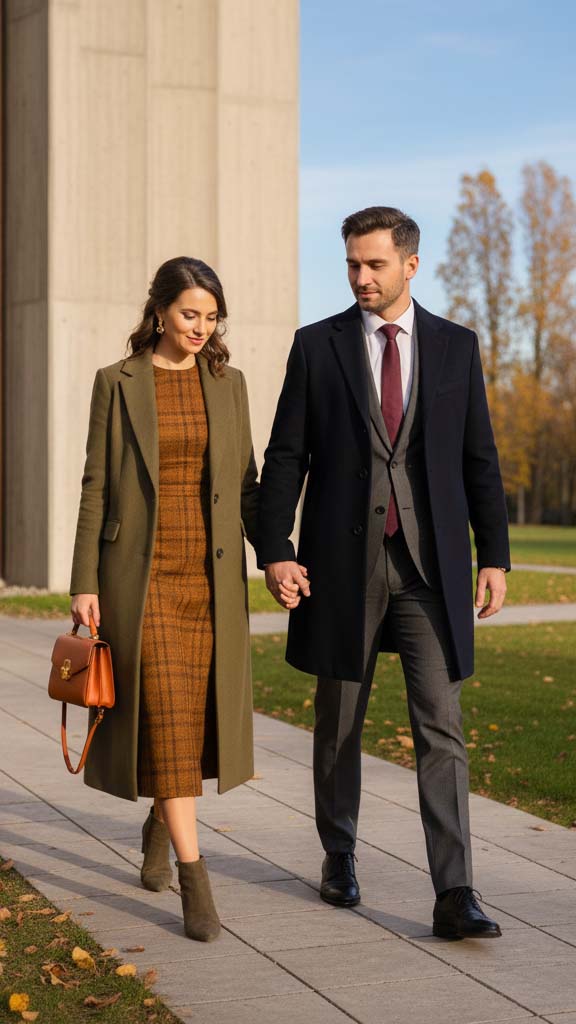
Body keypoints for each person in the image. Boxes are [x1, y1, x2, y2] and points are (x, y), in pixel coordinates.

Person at [258, 207, 510, 940]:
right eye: (351, 265)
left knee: (442, 724)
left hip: (430, 570)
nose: (360, 277)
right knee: (338, 722)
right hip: (339, 566)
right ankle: (339, 854)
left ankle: (455, 892)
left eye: (373, 264)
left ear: (410, 265)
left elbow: (479, 458)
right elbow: (284, 456)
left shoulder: (456, 347)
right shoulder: (316, 346)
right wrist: (276, 547)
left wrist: (493, 553)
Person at [70, 257, 259, 942]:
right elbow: (96, 485)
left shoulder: (228, 383)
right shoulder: (116, 383)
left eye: (211, 318)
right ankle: (195, 879)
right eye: (189, 315)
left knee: (185, 722)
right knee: (171, 713)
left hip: (209, 581)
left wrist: (279, 555)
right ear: (158, 312)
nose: (201, 329)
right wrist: (84, 581)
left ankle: (158, 819)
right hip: (139, 577)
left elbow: (246, 484)